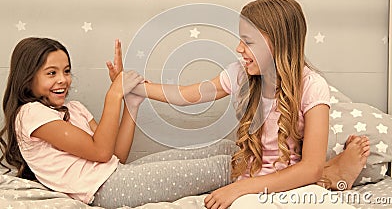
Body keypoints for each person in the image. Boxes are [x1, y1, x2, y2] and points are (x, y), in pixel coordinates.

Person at [124, 0, 370, 208]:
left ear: (279, 44)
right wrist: (136, 88)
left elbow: (310, 167)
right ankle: (333, 173)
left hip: (293, 181)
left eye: (248, 42)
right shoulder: (240, 74)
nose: (239, 48)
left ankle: (331, 175)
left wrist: (240, 189)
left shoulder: (312, 86)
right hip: (253, 180)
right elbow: (188, 95)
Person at [0, 37, 237, 208]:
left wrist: (130, 102)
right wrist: (114, 94)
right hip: (102, 191)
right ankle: (272, 175)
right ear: (28, 77)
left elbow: (115, 156)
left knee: (225, 149)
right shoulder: (30, 114)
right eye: (51, 73)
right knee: (221, 167)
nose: (63, 80)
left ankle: (269, 169)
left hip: (117, 174)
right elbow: (101, 152)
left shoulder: (75, 109)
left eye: (67, 71)